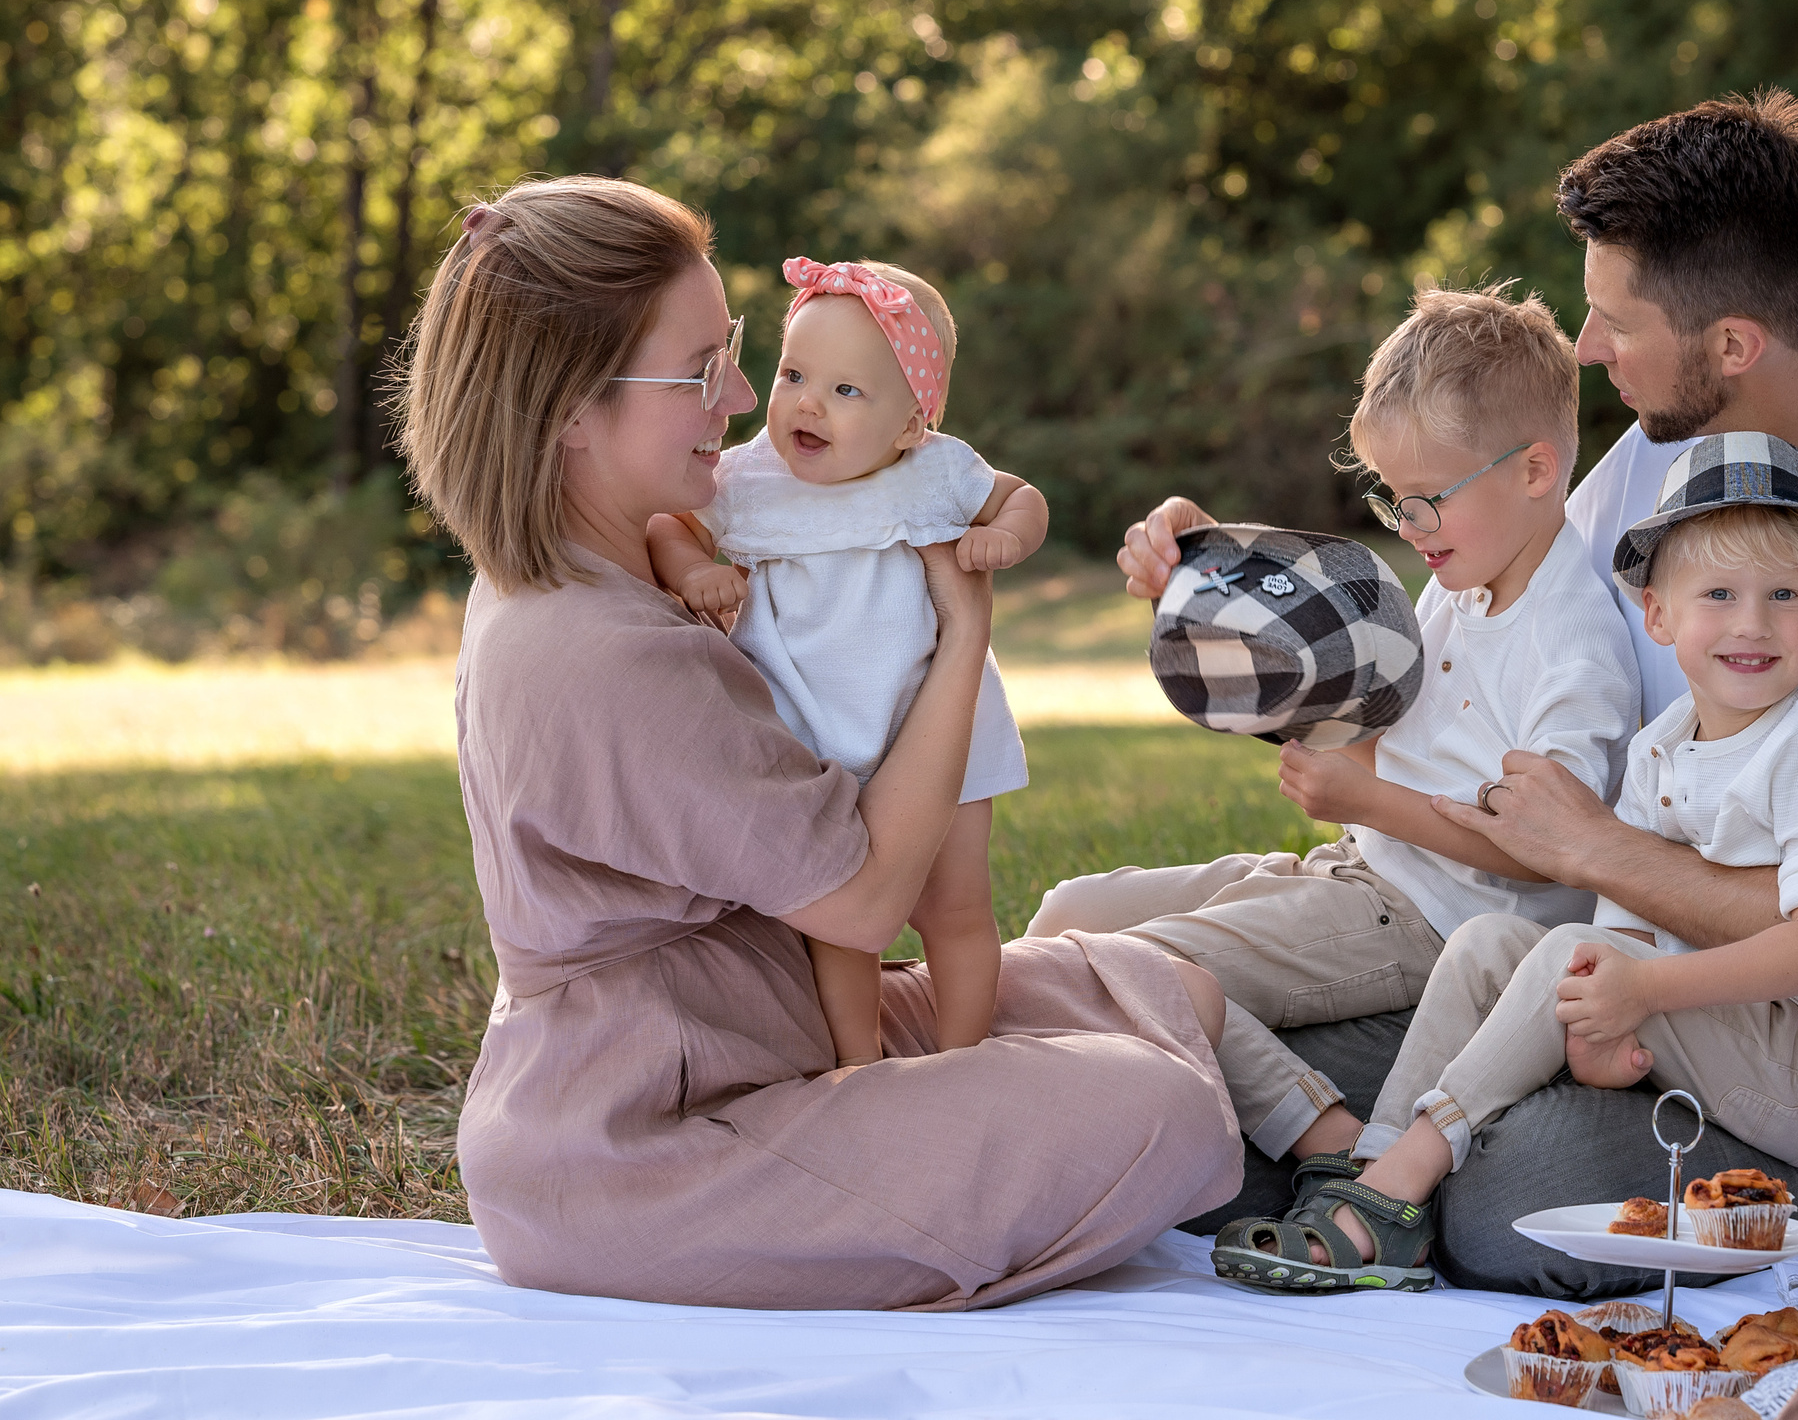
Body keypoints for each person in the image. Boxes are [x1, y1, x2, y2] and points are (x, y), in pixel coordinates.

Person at [1118, 90, 1798, 1208]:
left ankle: (1368, 1176)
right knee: (1145, 1030)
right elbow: (1460, 646)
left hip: (1788, 1076)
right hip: (1555, 988)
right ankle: (1343, 1164)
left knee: (1512, 1193)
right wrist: (1225, 584)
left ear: (1732, 344)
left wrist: (1597, 852)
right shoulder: (1651, 471)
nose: (1586, 346)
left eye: (1616, 319)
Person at [401, 176, 1239, 1311]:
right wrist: (962, 634)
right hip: (653, 1142)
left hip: (756, 1025)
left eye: (736, 349)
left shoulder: (607, 573)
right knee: (1165, 1108)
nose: (744, 395)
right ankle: (1083, 1141)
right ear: (567, 407)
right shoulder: (598, 647)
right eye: (700, 370)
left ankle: (1012, 1124)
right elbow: (864, 899)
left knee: (1162, 984)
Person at [1029, 285, 1641, 1288]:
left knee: (1141, 970)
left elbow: (1553, 850)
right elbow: (1336, 680)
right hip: (1357, 869)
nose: (1409, 523)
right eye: (1392, 497)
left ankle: (1330, 1137)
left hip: (1434, 918)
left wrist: (1373, 805)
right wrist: (1209, 573)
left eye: (1426, 497)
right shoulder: (1462, 574)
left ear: (1535, 469)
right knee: (1067, 916)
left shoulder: (1571, 645)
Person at [1215, 439, 1798, 1286]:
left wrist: (1642, 991)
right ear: (1657, 615)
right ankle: (1374, 1167)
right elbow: (1622, 912)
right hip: (1706, 1026)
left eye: (1784, 596)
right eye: (1718, 594)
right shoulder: (1662, 746)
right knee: (1486, 942)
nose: (1751, 624)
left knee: (1563, 956)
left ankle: (1396, 1193)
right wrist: (1601, 1025)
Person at [646, 255, 1048, 1067]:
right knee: (838, 928)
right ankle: (858, 1062)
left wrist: (1005, 536)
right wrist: (695, 572)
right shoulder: (748, 477)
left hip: (938, 735)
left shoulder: (932, 471)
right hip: (813, 741)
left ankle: (962, 1055)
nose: (807, 404)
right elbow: (670, 528)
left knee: (957, 908)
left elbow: (1021, 497)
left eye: (847, 391)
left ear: (911, 424)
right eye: (795, 373)